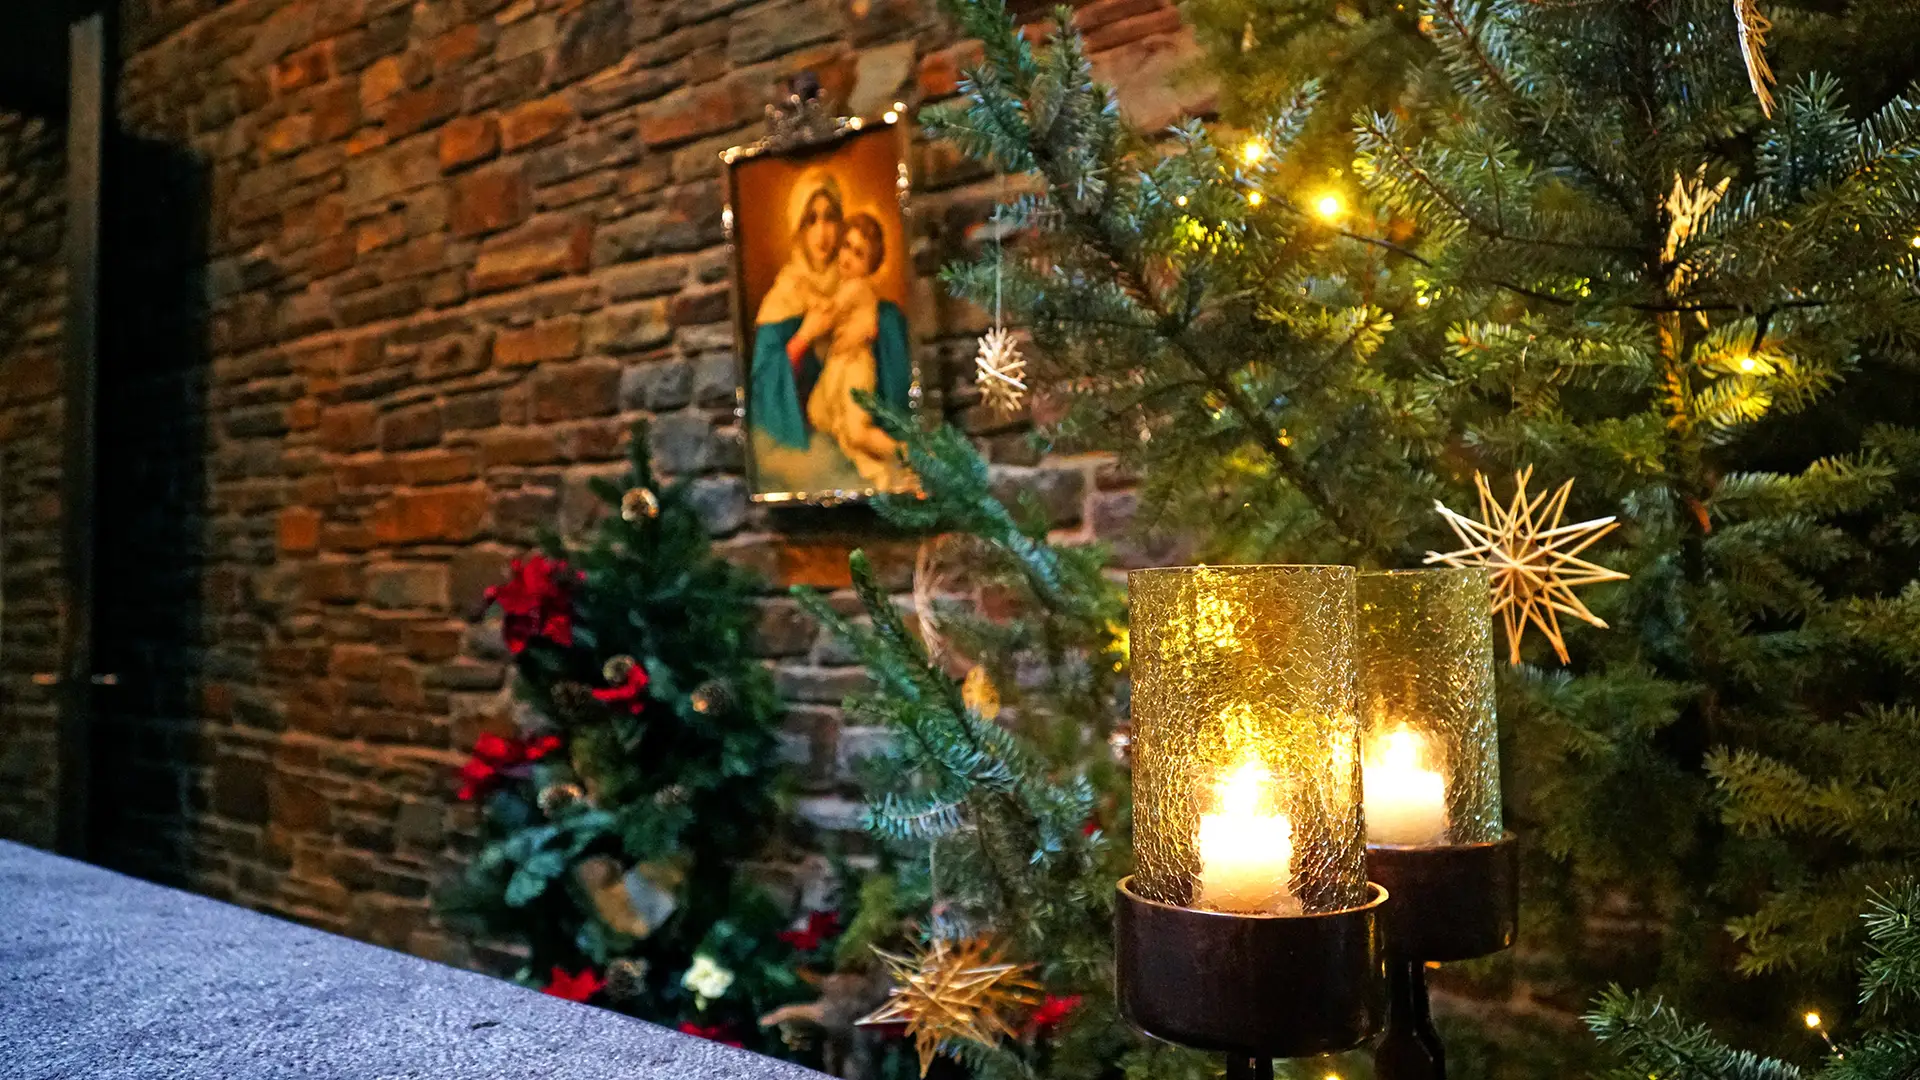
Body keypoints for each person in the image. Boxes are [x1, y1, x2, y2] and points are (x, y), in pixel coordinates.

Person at [807, 212, 912, 489]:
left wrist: (813, 305)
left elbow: (831, 312)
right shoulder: (844, 285)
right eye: (846, 246)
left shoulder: (856, 287)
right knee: (820, 414)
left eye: (859, 254)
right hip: (840, 367)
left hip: (856, 368)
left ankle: (907, 454)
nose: (848, 258)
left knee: (857, 432)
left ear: (869, 265)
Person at [747, 179, 843, 454]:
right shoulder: (783, 298)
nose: (822, 232)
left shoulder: (854, 285)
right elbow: (763, 386)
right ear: (798, 229)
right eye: (811, 220)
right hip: (807, 450)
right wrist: (804, 337)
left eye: (829, 218)